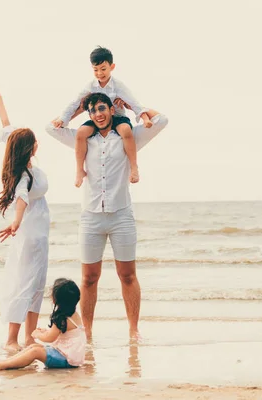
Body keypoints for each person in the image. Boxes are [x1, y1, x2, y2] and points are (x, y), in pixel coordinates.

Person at [46, 92, 169, 339]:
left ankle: (133, 330)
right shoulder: (84, 137)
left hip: (121, 215)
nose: (98, 114)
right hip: (91, 217)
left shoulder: (128, 134)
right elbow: (50, 128)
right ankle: (88, 332)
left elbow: (162, 120)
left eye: (102, 108)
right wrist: (79, 109)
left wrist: (138, 108)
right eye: (93, 110)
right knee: (89, 278)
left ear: (111, 109)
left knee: (127, 275)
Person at [0, 80, 50, 353]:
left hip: (38, 233)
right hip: (31, 233)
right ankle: (12, 339)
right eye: (35, 141)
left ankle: (30, 337)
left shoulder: (26, 163)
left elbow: (8, 126)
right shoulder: (25, 173)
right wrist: (16, 222)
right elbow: (21, 197)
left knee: (36, 285)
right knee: (26, 283)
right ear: (29, 147)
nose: (37, 143)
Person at [52, 46, 154, 188]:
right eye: (96, 70)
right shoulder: (90, 86)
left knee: (125, 130)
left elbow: (134, 102)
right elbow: (74, 103)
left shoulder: (118, 85)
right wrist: (62, 119)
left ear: (112, 67)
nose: (100, 73)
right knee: (81, 133)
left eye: (103, 69)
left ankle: (134, 167)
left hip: (117, 118)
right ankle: (80, 170)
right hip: (98, 119)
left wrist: (145, 119)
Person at [0, 278, 86, 370]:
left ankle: (2, 365)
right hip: (69, 356)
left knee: (35, 352)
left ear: (56, 299)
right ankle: (3, 361)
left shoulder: (62, 319)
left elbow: (50, 338)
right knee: (33, 347)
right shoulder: (74, 314)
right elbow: (62, 334)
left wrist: (38, 334)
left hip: (66, 359)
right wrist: (46, 332)